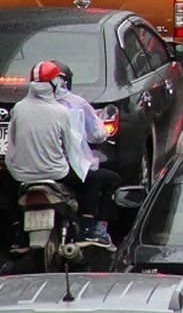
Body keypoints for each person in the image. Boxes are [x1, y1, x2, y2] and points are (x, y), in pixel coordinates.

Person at [5, 62, 93, 241]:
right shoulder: (60, 111)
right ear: (54, 84)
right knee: (93, 181)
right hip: (57, 173)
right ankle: (86, 233)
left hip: (21, 176)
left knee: (8, 191)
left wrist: (14, 169)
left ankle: (18, 235)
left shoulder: (18, 109)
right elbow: (71, 149)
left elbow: (11, 144)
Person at [50, 63, 116, 243]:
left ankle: (18, 235)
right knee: (98, 179)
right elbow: (97, 134)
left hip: (29, 170)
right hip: (62, 169)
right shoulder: (75, 105)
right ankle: (92, 230)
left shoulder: (22, 107)